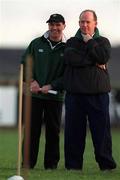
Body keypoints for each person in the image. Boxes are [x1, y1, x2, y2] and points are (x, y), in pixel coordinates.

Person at [63, 9, 117, 171]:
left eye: (87, 21)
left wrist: (89, 42)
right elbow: (71, 59)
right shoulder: (71, 42)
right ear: (79, 23)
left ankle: (106, 165)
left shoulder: (103, 42)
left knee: (101, 133)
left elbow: (102, 57)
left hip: (98, 95)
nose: (84, 25)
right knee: (73, 133)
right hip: (75, 95)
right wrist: (94, 60)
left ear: (95, 23)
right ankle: (73, 166)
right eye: (82, 21)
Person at [21, 13, 66, 169]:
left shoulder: (68, 48)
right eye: (51, 24)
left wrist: (52, 85)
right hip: (34, 96)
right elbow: (24, 65)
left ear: (64, 26)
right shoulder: (36, 44)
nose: (54, 27)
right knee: (31, 131)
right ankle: (27, 164)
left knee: (53, 132)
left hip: (55, 97)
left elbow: (69, 74)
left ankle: (51, 166)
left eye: (57, 24)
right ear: (48, 26)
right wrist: (31, 80)